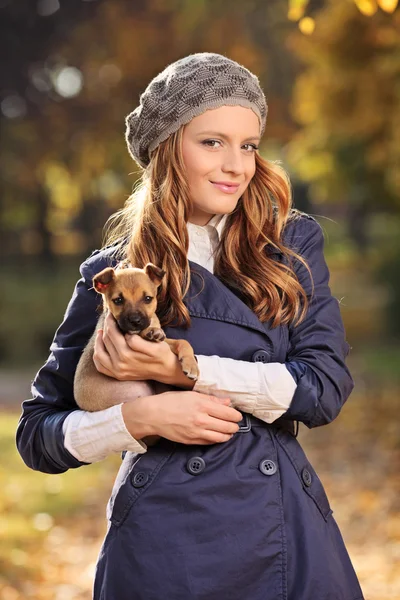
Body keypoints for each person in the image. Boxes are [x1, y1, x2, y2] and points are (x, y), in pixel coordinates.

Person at [16, 52, 364, 600]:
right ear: (165, 148)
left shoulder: (290, 246)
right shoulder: (114, 275)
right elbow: (37, 436)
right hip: (163, 545)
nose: (236, 165)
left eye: (248, 145)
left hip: (282, 530)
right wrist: (138, 417)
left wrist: (191, 372)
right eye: (212, 142)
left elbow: (323, 391)